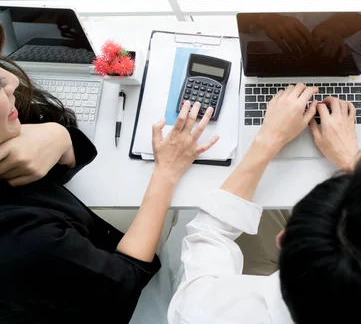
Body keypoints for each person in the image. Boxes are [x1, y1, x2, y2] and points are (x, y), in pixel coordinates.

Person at [168, 79, 361, 324]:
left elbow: (208, 235)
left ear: (283, 239)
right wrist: (351, 158)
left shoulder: (207, 313)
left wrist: (268, 139)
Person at [0, 25, 219, 322]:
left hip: (80, 250)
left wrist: (57, 137)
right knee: (200, 215)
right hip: (118, 300)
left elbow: (50, 136)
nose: (11, 80)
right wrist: (167, 171)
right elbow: (125, 278)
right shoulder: (24, 238)